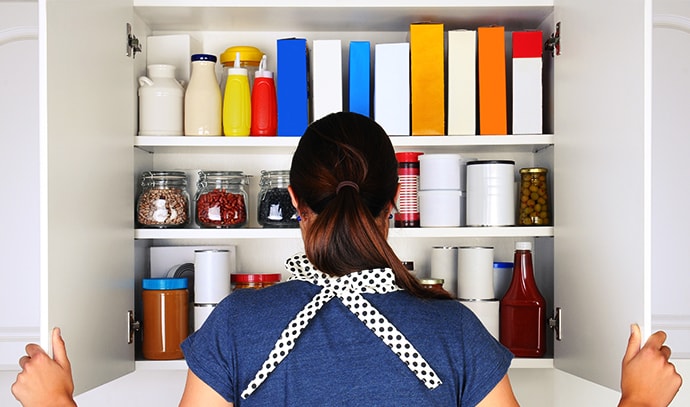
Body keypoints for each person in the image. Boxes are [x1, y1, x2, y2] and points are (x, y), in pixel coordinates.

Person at [11, 112, 682, 406]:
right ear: (392, 208)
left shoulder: (239, 324)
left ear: (297, 207)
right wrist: (639, 402)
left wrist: (55, 404)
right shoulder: (454, 332)